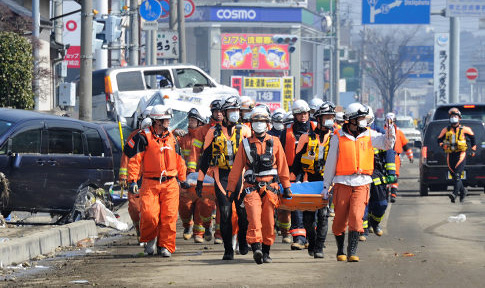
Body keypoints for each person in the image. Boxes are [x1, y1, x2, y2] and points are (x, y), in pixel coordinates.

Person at [322, 102, 395, 262]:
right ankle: (340, 249)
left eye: (364, 117)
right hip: (342, 182)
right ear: (352, 120)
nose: (364, 120)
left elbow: (387, 143)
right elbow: (330, 164)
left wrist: (390, 129)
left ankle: (352, 251)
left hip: (362, 182)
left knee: (356, 217)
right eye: (360, 118)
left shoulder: (370, 135)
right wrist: (326, 186)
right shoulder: (338, 137)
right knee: (339, 220)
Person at [226, 106, 292, 264]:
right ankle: (256, 248)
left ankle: (266, 251)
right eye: (256, 121)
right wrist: (230, 189)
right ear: (251, 124)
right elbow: (236, 169)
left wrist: (287, 187)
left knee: (269, 221)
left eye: (262, 121)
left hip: (270, 189)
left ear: (267, 123)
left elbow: (283, 166)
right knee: (254, 219)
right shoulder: (245, 144)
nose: (259, 124)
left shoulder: (275, 142)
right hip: (251, 188)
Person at [126, 105, 189, 257]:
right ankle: (149, 239)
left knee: (169, 217)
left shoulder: (172, 138)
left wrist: (183, 178)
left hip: (170, 183)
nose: (168, 122)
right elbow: (134, 160)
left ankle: (166, 246)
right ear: (157, 121)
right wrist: (132, 181)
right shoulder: (143, 137)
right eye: (165, 119)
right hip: (150, 182)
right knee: (149, 215)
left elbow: (179, 159)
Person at [196, 95, 252, 260]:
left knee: (243, 214)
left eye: (236, 110)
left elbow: (252, 155)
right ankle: (228, 249)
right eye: (231, 110)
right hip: (222, 178)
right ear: (224, 113)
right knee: (225, 214)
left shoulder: (245, 131)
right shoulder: (213, 132)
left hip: (241, 176)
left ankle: (242, 240)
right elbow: (205, 158)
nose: (235, 113)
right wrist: (200, 181)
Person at [293, 101, 336, 258]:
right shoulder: (306, 138)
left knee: (323, 215)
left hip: (327, 183)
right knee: (308, 218)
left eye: (332, 117)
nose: (329, 120)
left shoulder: (335, 138)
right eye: (326, 117)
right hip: (308, 182)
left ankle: (319, 248)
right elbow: (297, 162)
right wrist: (292, 182)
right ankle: (312, 241)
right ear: (318, 119)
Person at [279, 99, 317, 249]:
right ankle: (299, 238)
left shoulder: (316, 129)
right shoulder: (286, 133)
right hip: (293, 174)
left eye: (305, 113)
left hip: (313, 173)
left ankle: (312, 237)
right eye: (300, 113)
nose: (303, 116)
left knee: (313, 205)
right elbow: (280, 154)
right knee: (296, 205)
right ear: (294, 115)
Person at [359, 106, 397, 241]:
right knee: (362, 202)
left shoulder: (379, 132)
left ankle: (374, 223)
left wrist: (391, 172)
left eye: (367, 119)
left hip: (377, 171)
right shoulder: (354, 133)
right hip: (360, 170)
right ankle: (362, 230)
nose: (365, 121)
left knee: (381, 204)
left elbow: (389, 152)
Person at [178, 108, 215, 243]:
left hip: (203, 175)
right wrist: (174, 132)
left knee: (203, 203)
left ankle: (200, 232)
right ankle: (188, 226)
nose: (190, 122)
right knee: (185, 204)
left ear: (200, 123)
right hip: (188, 176)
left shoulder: (205, 137)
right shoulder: (183, 138)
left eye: (193, 120)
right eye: (189, 120)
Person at [192, 99, 224, 244]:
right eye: (216, 111)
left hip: (222, 170)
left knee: (222, 203)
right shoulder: (202, 131)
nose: (218, 114)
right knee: (204, 203)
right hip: (206, 171)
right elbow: (195, 152)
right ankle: (206, 226)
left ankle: (219, 234)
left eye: (220, 111)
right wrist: (193, 171)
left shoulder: (230, 129)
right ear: (212, 112)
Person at [120, 107, 153, 241]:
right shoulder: (134, 137)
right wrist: (124, 176)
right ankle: (139, 228)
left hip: (152, 177)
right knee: (134, 207)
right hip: (136, 177)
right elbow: (126, 155)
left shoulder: (162, 136)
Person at [437, 107, 476, 203]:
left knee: (458, 175)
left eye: (455, 116)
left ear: (459, 118)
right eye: (452, 116)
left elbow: (473, 139)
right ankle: (463, 191)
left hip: (461, 154)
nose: (453, 118)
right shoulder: (445, 130)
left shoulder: (465, 129)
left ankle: (454, 194)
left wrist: (473, 150)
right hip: (450, 155)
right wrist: (443, 145)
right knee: (455, 176)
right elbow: (439, 140)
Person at [385, 113, 414, 203]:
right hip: (384, 156)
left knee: (395, 176)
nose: (390, 123)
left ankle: (393, 194)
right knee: (385, 176)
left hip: (395, 157)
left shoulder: (399, 133)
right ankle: (385, 194)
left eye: (392, 121)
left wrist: (410, 156)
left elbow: (405, 146)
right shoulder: (382, 131)